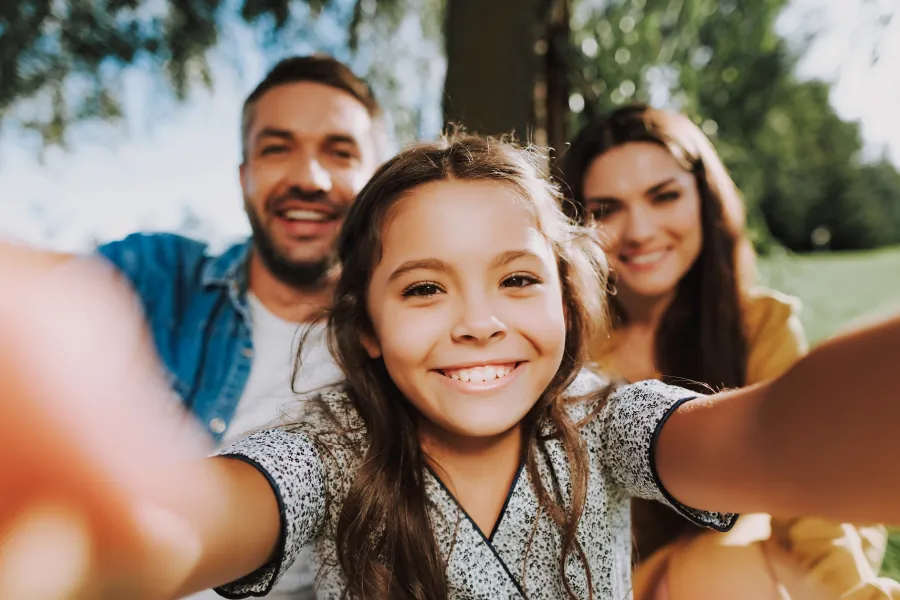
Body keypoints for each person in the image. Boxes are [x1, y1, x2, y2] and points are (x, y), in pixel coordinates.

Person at [0, 134, 898, 600]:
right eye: (425, 290)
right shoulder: (328, 450)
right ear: (367, 334)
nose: (478, 324)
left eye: (516, 279)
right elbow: (191, 524)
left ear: (569, 300)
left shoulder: (606, 421)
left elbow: (768, 434)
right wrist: (98, 536)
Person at [14, 54, 389, 600]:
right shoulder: (153, 277)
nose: (309, 178)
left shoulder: (409, 338)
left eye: (339, 151)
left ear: (375, 180)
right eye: (277, 148)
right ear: (244, 177)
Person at [562, 104, 897, 599]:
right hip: (625, 583)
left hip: (756, 563)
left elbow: (802, 496)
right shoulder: (569, 348)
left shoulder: (758, 325)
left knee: (738, 544)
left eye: (664, 196)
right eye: (607, 209)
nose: (639, 230)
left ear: (705, 199)